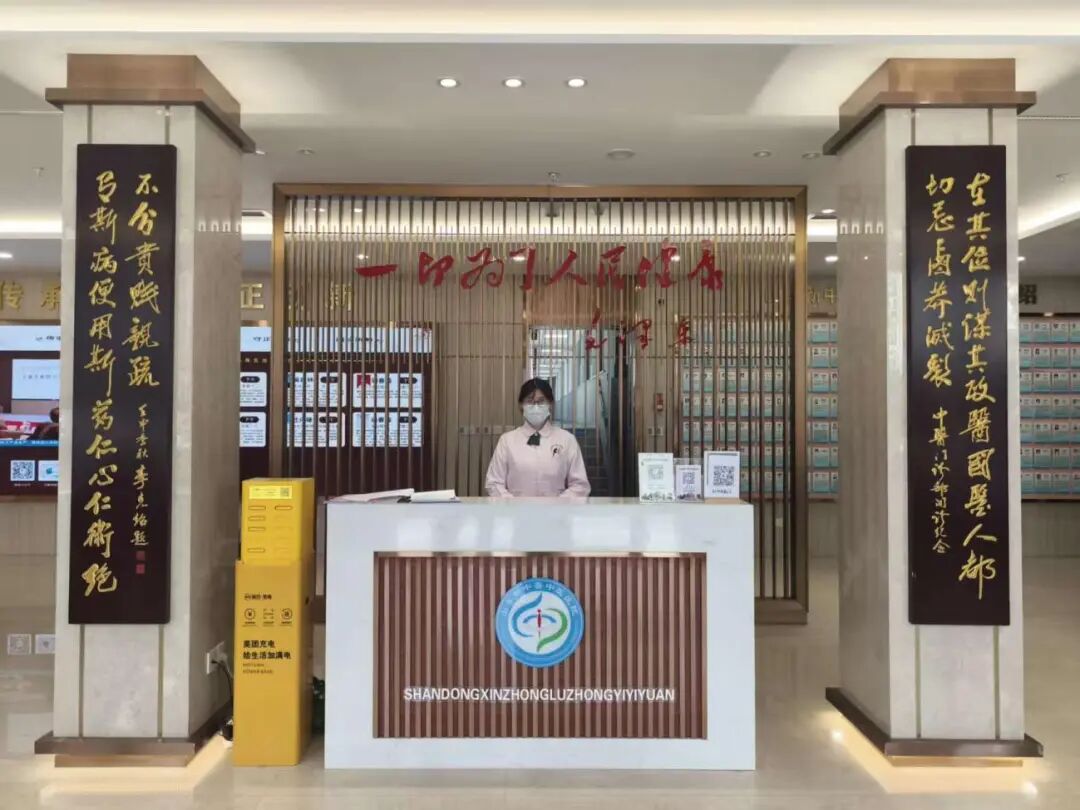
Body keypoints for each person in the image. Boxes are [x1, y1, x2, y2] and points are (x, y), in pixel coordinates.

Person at [485, 378, 590, 498]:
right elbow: (494, 483)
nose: (535, 406)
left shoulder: (567, 440)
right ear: (521, 405)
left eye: (541, 401)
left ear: (550, 404)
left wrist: (557, 504)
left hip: (556, 509)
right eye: (530, 401)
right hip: (516, 509)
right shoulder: (507, 441)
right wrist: (512, 504)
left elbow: (580, 485)